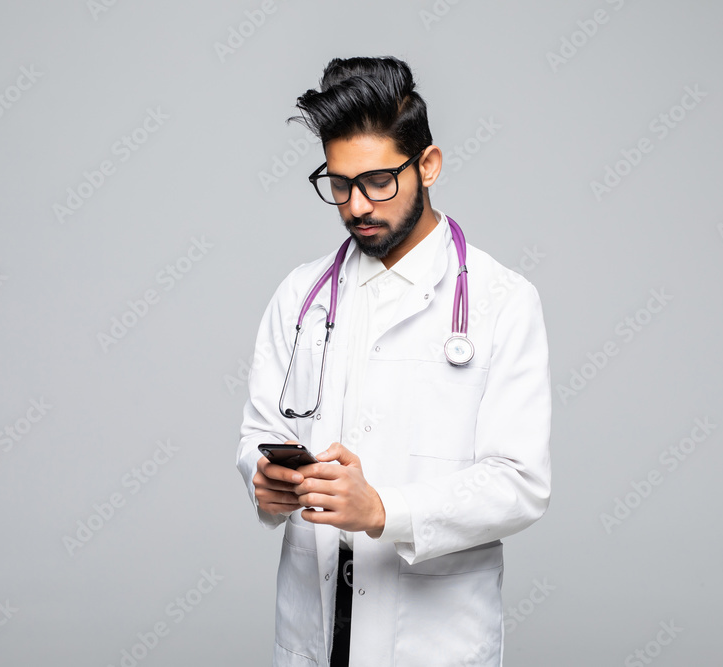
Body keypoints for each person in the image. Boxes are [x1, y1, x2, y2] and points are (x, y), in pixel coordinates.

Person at [235, 55, 552, 667]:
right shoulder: (300, 296)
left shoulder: (501, 300)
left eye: (378, 181)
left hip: (432, 635)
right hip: (315, 623)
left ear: (427, 165)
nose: (357, 205)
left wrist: (385, 510)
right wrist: (266, 480)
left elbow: (521, 482)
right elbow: (261, 433)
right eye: (339, 185)